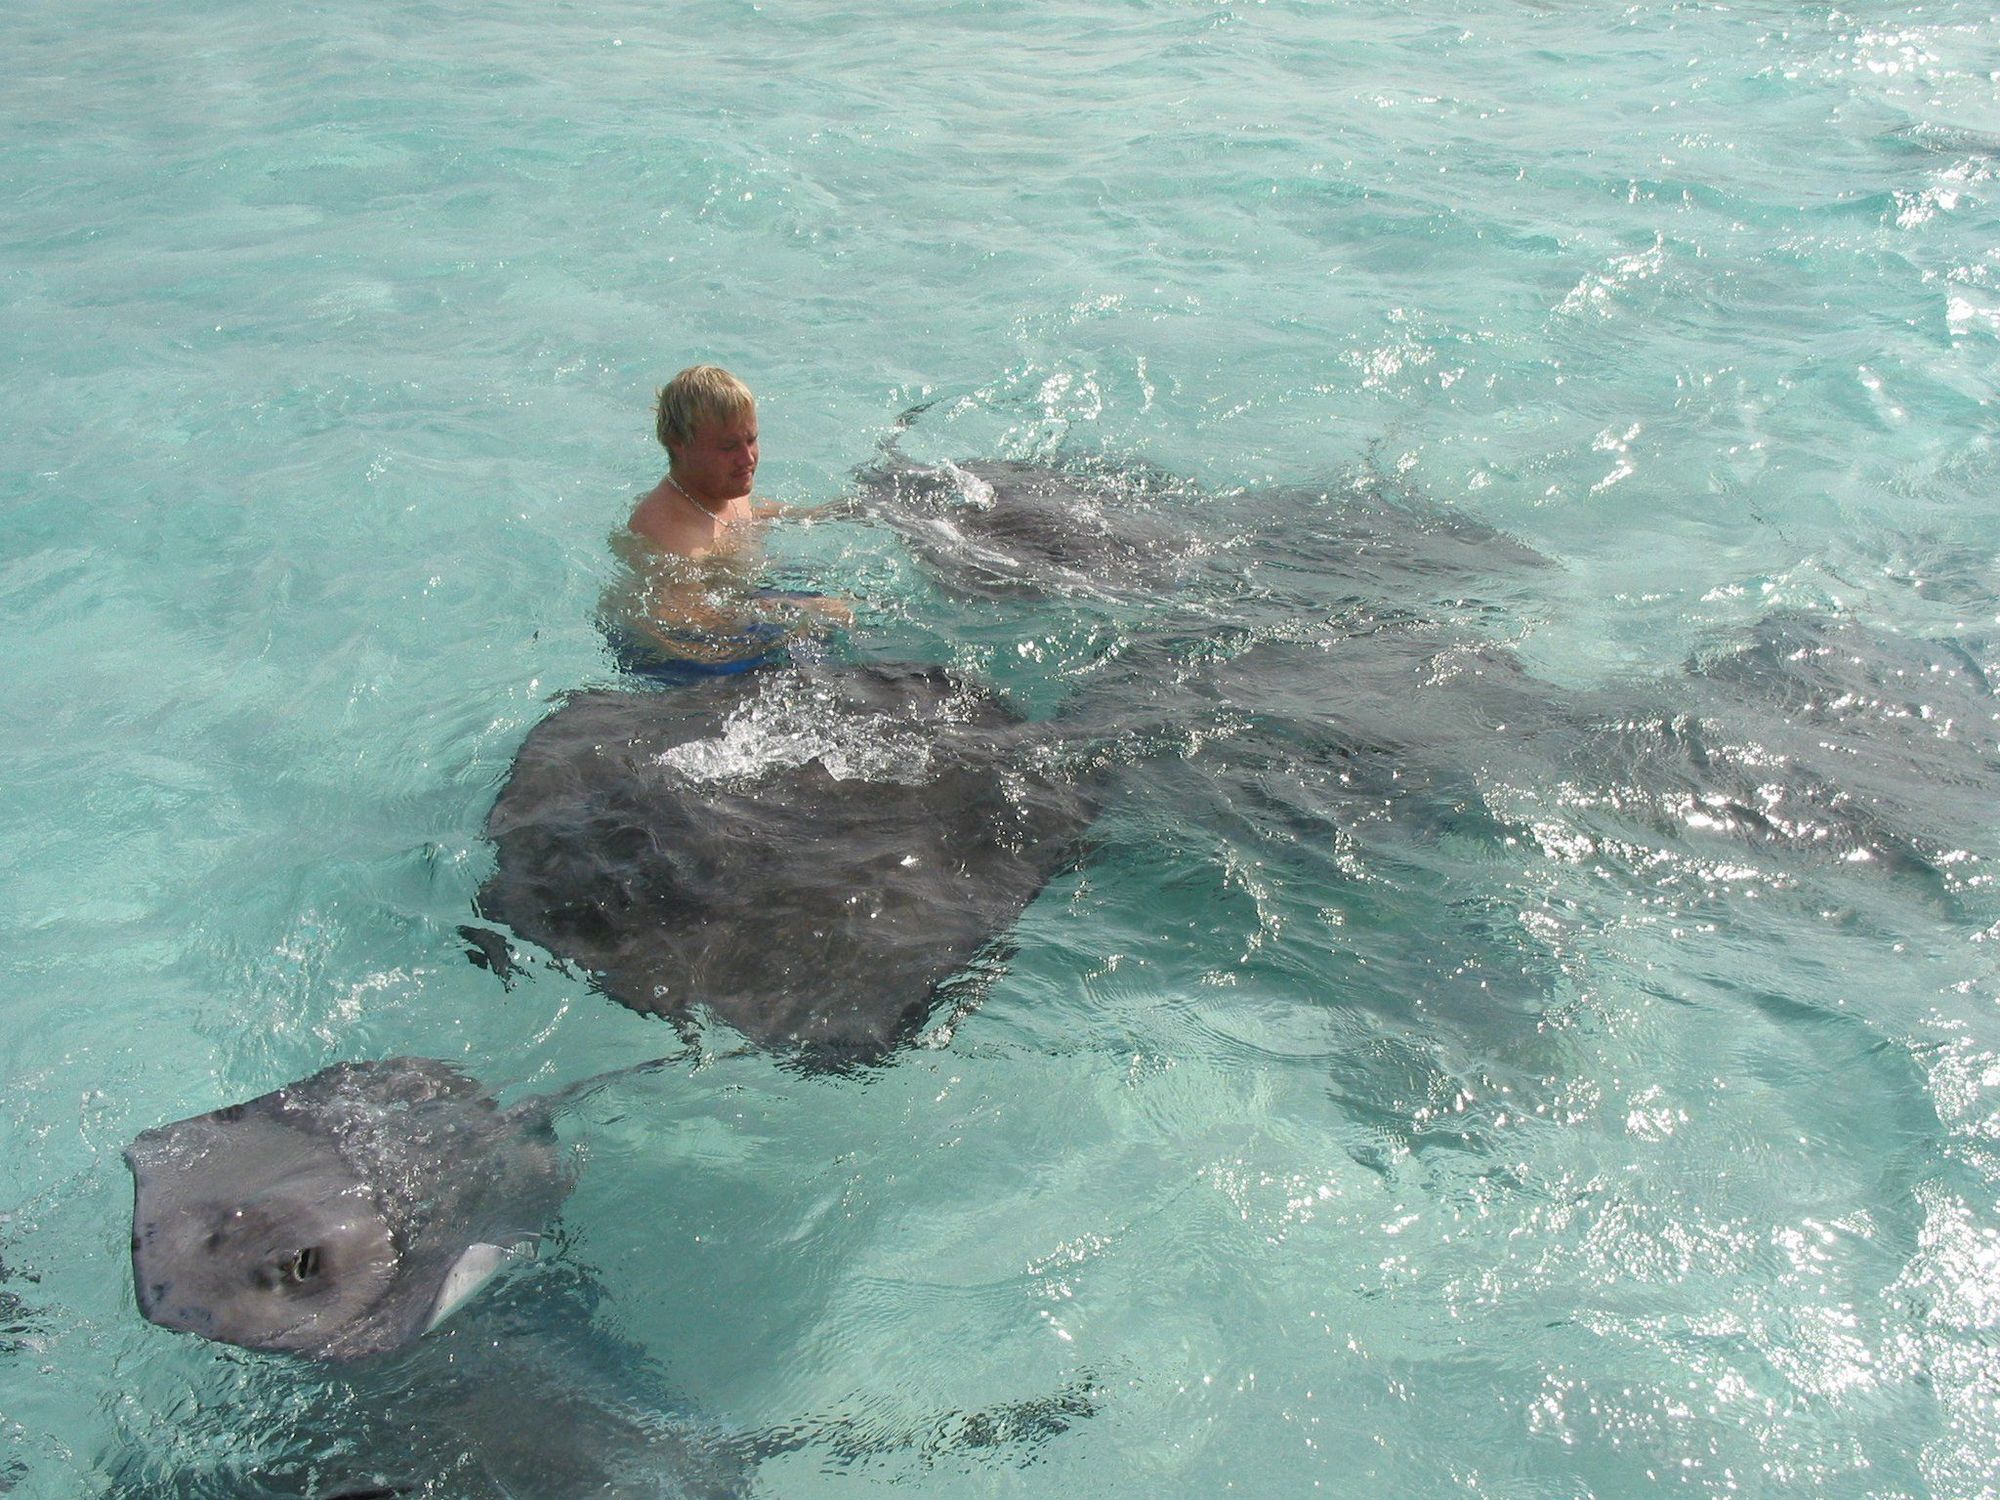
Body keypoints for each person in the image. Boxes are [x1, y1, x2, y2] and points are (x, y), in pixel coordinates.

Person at [604, 365, 848, 683]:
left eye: (751, 440)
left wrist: (833, 512)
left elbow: (756, 512)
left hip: (741, 606)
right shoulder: (673, 536)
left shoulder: (721, 489)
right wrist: (792, 612)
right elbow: (678, 620)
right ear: (679, 443)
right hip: (672, 659)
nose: (747, 459)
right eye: (729, 447)